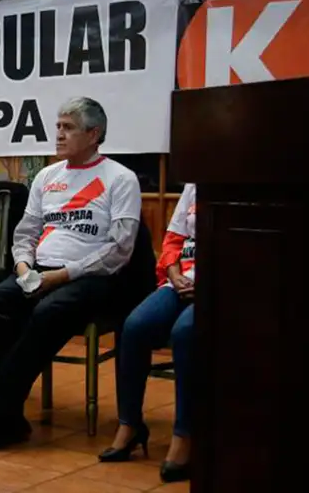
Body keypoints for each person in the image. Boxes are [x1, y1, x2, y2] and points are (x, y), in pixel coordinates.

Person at [0, 97, 142, 450]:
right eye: (58, 126)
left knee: (47, 311)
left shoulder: (120, 179)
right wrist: (22, 266)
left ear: (94, 134)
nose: (59, 134)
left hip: (94, 278)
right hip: (38, 270)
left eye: (68, 127)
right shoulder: (47, 177)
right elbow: (25, 233)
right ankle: (5, 419)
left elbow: (120, 249)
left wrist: (64, 275)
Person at [99, 183, 196, 483]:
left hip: (227, 282)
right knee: (136, 326)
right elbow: (173, 240)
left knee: (185, 333)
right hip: (182, 279)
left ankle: (185, 435)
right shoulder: (194, 187)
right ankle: (130, 425)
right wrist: (174, 273)